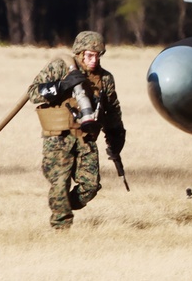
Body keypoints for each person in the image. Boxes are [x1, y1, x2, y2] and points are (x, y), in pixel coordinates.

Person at [28, 31, 126, 230]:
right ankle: (61, 228)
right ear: (80, 53)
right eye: (90, 55)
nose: (94, 60)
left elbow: (112, 108)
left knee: (90, 186)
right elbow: (33, 93)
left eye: (98, 55)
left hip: (85, 138)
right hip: (58, 138)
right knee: (60, 183)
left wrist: (116, 134)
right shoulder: (60, 67)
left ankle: (62, 204)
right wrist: (62, 85)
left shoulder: (105, 78)